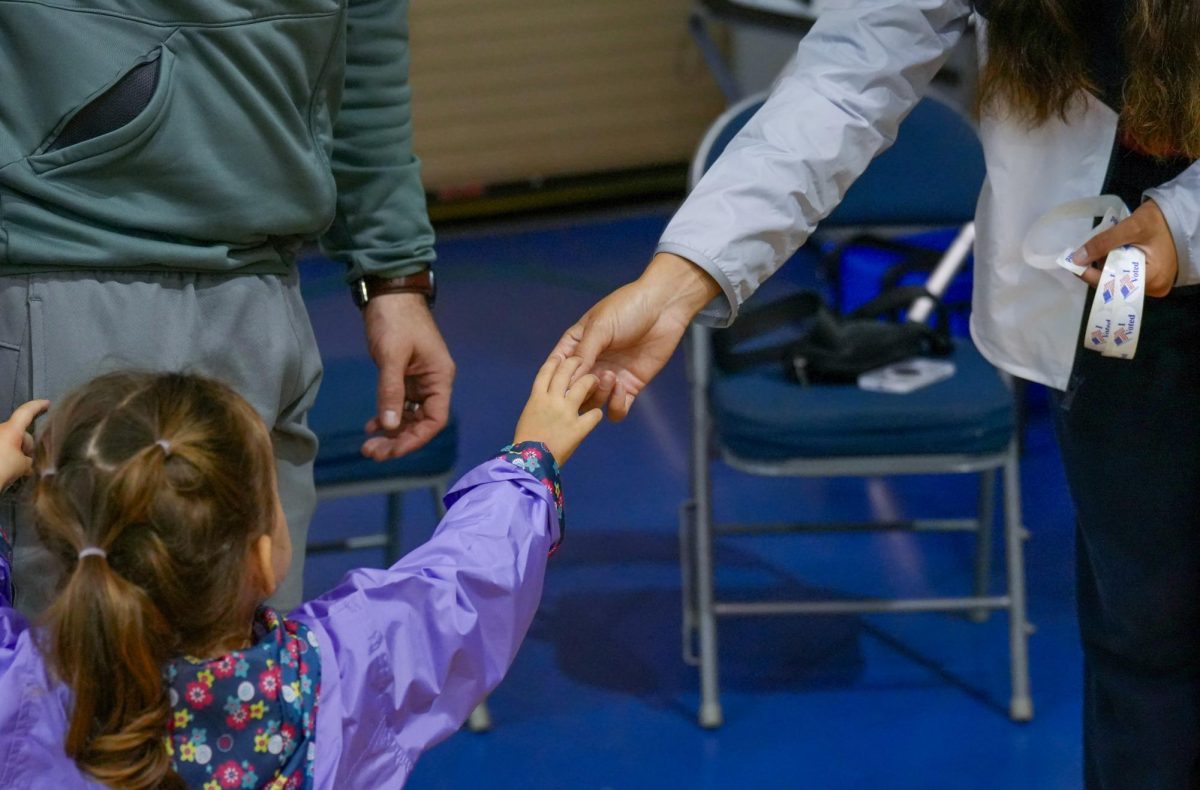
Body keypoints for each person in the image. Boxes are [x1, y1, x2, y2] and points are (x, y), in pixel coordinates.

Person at [555, 2, 1200, 786]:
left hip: (1171, 235)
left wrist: (1187, 223)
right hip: (1119, 299)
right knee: (1147, 644)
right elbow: (849, 71)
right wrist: (683, 275)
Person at [0, 0, 453, 616]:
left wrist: (393, 273)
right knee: (72, 679)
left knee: (254, 652)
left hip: (264, 279)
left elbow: (366, 28)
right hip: (71, 259)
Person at [0, 355, 602, 789]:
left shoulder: (24, 693)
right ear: (263, 558)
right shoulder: (347, 670)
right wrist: (530, 459)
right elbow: (466, 586)